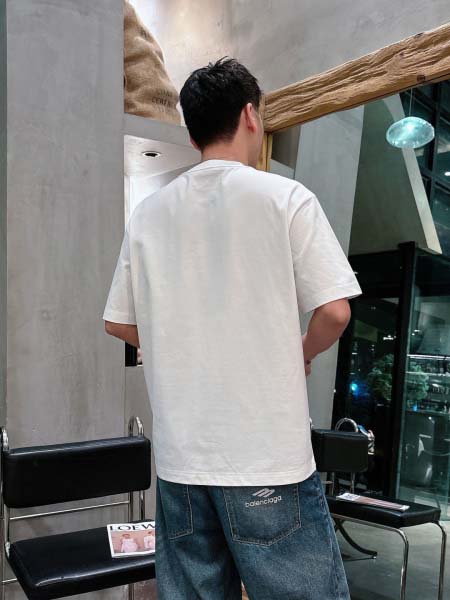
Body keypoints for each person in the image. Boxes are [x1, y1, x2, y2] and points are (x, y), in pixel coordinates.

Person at [103, 57, 362, 599]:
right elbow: (334, 312)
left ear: (192, 133)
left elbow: (118, 322)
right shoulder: (286, 198)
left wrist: (174, 345)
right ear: (249, 115)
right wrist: (301, 350)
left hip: (181, 462)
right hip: (267, 458)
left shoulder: (149, 213)